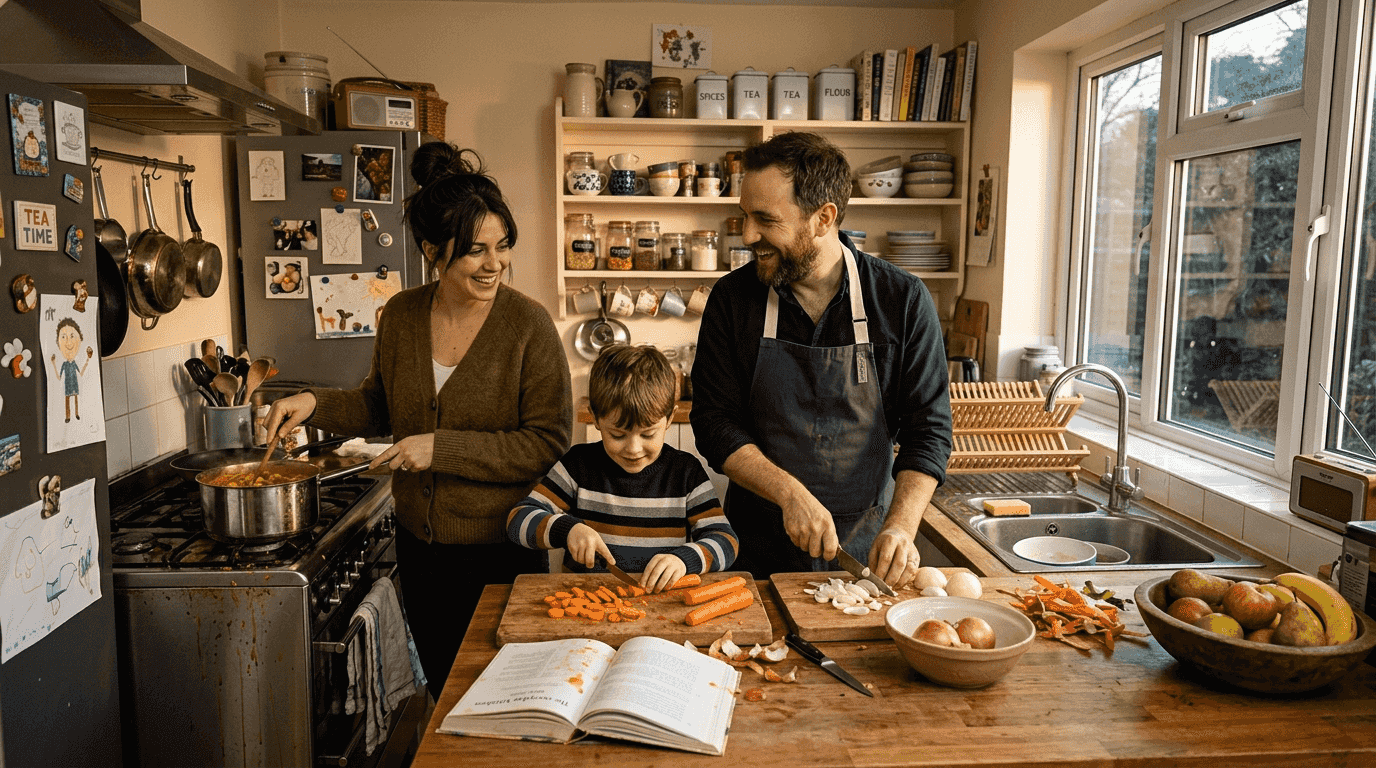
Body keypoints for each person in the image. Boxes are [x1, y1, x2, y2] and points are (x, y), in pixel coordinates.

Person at [264, 142, 572, 700]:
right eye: (475, 251)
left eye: (503, 246)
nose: (494, 263)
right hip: (422, 551)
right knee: (445, 699)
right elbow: (379, 405)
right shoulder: (403, 315)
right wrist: (315, 404)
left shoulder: (529, 326)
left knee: (504, 700)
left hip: (500, 550)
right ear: (433, 251)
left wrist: (441, 449)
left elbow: (547, 444)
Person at [690, 131, 952, 587]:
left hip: (866, 546)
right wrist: (788, 493)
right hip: (757, 547)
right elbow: (714, 422)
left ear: (823, 218)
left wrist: (901, 527)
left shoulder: (901, 300)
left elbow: (928, 430)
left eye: (765, 220)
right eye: (744, 217)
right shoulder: (733, 300)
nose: (748, 235)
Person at [507, 344, 737, 593]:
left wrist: (685, 560)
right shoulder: (578, 466)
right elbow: (517, 520)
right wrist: (567, 529)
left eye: (648, 434)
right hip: (585, 606)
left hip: (660, 605)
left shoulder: (686, 473)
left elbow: (726, 541)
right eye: (617, 435)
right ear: (595, 418)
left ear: (669, 418)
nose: (633, 449)